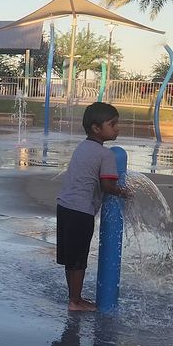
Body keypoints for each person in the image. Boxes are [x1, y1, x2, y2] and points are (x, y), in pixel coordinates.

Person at [56, 102, 129, 312]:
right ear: (97, 129)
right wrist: (122, 191)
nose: (117, 128)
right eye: (112, 124)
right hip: (81, 211)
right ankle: (76, 302)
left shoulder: (82, 147)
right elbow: (107, 185)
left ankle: (73, 297)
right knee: (79, 260)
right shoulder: (106, 155)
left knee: (71, 258)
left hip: (64, 206)